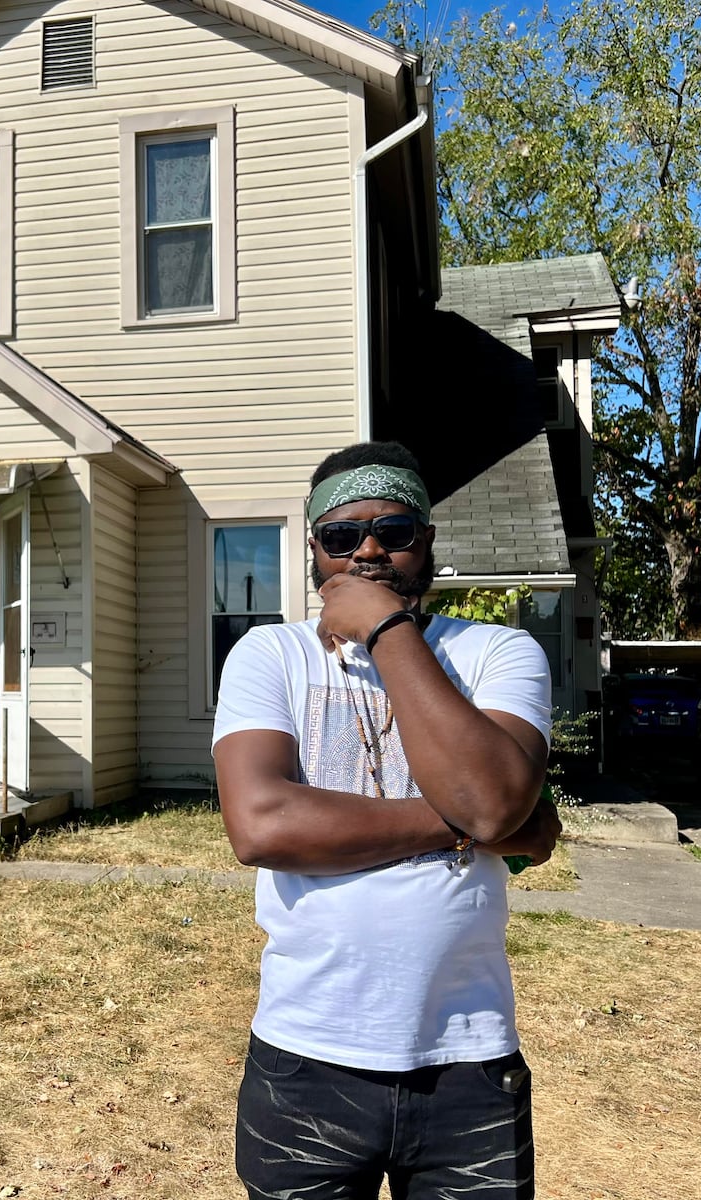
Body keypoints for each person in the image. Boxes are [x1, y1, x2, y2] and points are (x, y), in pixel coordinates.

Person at [212, 440, 560, 1200]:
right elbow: (263, 827)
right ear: (314, 549)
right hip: (306, 1059)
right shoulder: (268, 655)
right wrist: (466, 825)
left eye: (393, 531)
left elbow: (497, 799)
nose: (368, 550)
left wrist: (385, 628)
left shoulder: (499, 650)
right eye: (342, 536)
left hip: (467, 1060)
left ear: (426, 541)